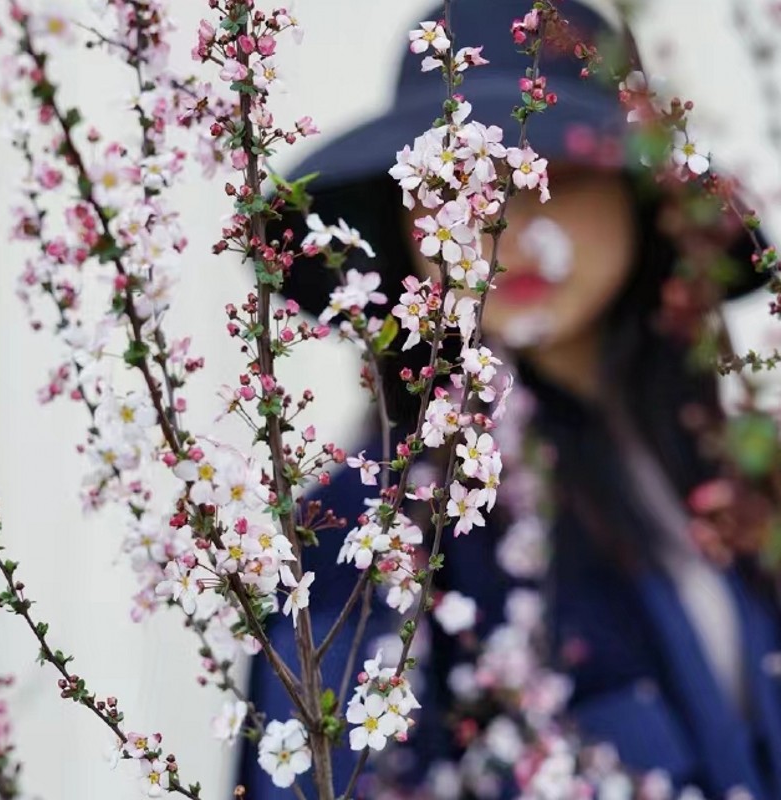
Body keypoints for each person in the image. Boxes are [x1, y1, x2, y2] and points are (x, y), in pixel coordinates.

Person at [237, 1, 781, 797]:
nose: (504, 223)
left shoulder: (731, 482)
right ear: (401, 225)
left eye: (548, 172)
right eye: (453, 186)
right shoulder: (369, 533)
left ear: (638, 195)